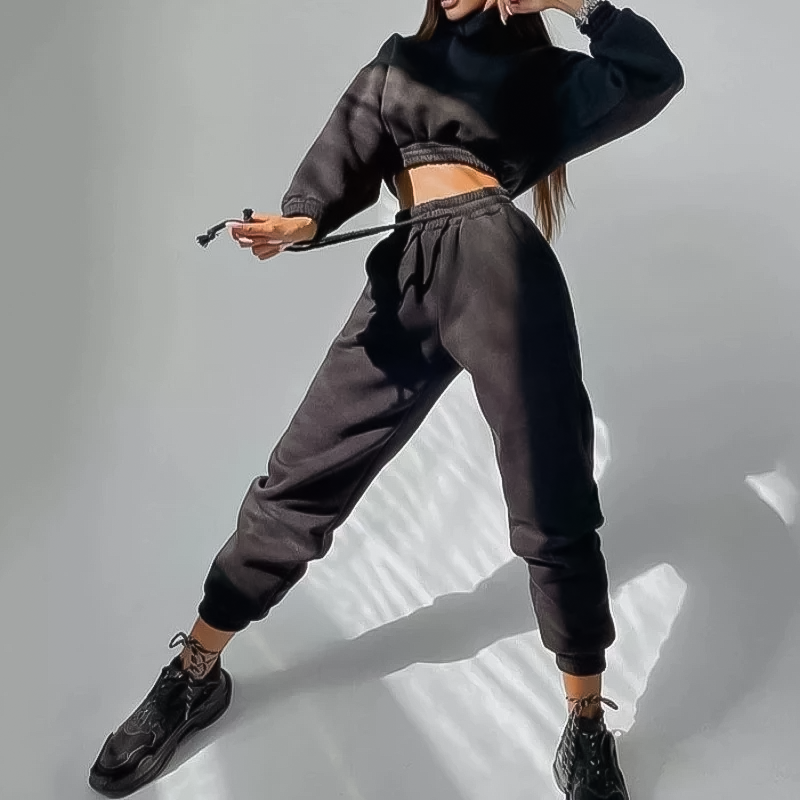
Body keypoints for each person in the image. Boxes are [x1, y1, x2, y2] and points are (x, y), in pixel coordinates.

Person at [88, 1, 684, 797]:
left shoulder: (538, 71)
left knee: (553, 496)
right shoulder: (395, 63)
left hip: (503, 271)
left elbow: (652, 74)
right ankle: (195, 671)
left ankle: (585, 723)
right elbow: (333, 171)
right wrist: (297, 223)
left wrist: (579, 4)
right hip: (403, 276)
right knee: (300, 478)